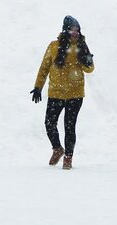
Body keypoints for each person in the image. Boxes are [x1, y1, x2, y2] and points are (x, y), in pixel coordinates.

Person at [31, 16, 95, 170]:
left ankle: (68, 157)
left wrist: (88, 61)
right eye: (73, 29)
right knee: (49, 123)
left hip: (75, 94)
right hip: (56, 93)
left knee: (69, 126)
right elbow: (44, 67)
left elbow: (89, 69)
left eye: (78, 30)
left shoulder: (81, 45)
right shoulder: (53, 46)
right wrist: (38, 86)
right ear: (66, 29)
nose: (76, 33)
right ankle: (57, 149)